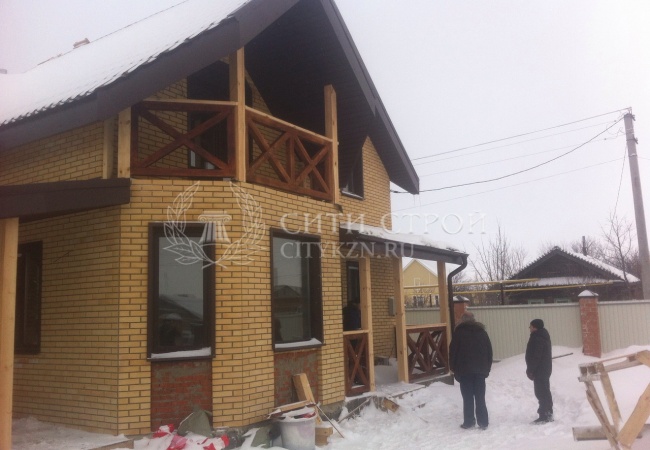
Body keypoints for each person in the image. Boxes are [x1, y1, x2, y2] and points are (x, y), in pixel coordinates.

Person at [449, 311, 493, 430]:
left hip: (464, 371)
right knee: (480, 397)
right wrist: (487, 368)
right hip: (480, 371)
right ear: (473, 319)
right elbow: (489, 351)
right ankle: (483, 422)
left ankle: (469, 422)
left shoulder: (459, 333)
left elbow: (453, 352)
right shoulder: (482, 332)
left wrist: (453, 367)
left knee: (467, 397)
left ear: (462, 320)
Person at [525, 318, 554, 423]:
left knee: (541, 392)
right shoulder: (542, 336)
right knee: (544, 391)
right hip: (543, 368)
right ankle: (547, 413)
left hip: (540, 369)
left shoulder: (537, 338)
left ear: (534, 327)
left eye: (530, 326)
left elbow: (536, 356)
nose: (529, 328)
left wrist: (531, 369)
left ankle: (545, 415)